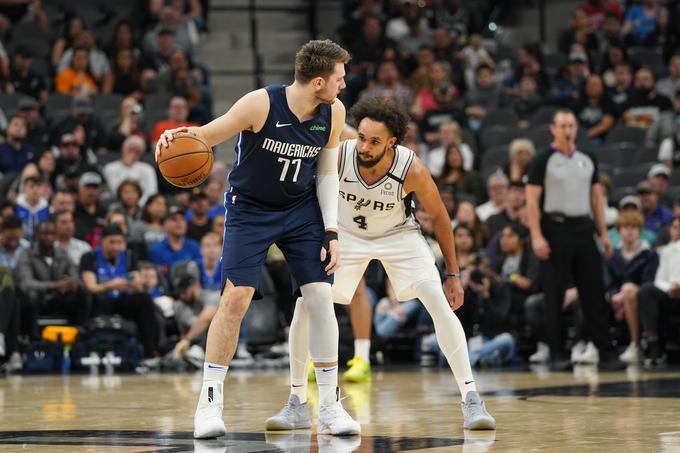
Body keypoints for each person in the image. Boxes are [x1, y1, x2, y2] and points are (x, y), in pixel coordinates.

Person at [155, 40, 357, 438]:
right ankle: (209, 405)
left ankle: (330, 406)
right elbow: (205, 135)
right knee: (235, 297)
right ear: (318, 81)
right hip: (250, 209)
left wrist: (331, 229)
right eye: (339, 78)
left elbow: (327, 173)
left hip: (301, 210)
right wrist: (174, 137)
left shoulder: (333, 112)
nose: (343, 84)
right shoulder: (260, 104)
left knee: (319, 296)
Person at [265, 97, 495, 432]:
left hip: (398, 234)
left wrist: (453, 274)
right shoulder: (341, 153)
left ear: (392, 142)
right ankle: (298, 401)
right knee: (305, 303)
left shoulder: (411, 168)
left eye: (374, 141)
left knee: (439, 303)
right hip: (346, 234)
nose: (364, 146)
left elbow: (442, 219)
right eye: (361, 137)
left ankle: (471, 398)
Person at [525, 109, 613, 368]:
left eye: (572, 125)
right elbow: (531, 201)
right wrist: (537, 235)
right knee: (554, 293)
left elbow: (596, 198)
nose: (568, 130)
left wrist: (604, 233)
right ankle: (556, 353)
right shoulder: (543, 160)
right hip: (555, 227)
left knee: (594, 290)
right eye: (563, 125)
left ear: (576, 128)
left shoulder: (588, 159)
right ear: (553, 128)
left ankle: (605, 351)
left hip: (584, 228)